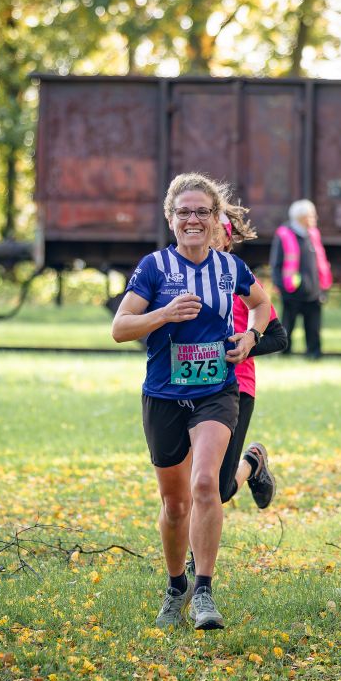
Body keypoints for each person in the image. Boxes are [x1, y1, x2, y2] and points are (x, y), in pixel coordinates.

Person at [111, 172, 272, 631]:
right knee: (176, 504)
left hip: (215, 392)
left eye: (202, 211)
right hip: (163, 395)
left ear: (216, 218)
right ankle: (175, 586)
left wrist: (250, 337)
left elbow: (261, 305)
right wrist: (163, 314)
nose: (193, 220)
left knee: (205, 484)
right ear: (171, 219)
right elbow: (120, 328)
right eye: (184, 212)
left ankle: (203, 592)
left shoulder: (230, 268)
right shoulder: (154, 268)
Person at [215, 204, 288, 510]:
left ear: (227, 240)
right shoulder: (180, 276)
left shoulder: (240, 278)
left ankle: (252, 462)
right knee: (191, 480)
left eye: (215, 232)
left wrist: (244, 345)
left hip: (237, 386)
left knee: (219, 490)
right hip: (190, 385)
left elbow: (278, 337)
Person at [270, 199, 332, 359]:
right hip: (292, 292)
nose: (315, 218)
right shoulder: (284, 234)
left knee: (313, 327)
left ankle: (314, 354)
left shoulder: (313, 235)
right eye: (311, 215)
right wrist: (281, 287)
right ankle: (285, 353)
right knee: (287, 326)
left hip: (313, 292)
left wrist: (323, 288)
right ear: (301, 217)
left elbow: (320, 262)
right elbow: (276, 265)